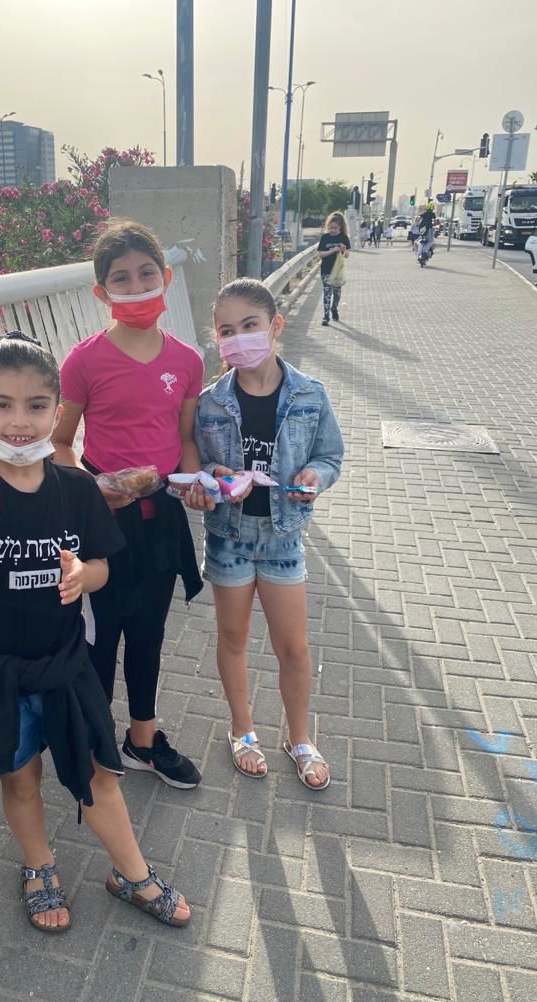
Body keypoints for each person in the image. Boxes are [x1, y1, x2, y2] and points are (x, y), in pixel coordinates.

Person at [0, 333, 191, 932]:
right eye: (2, 404)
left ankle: (132, 873)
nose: (19, 421)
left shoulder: (75, 488)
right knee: (22, 780)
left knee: (100, 771)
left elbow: (103, 565)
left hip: (65, 662)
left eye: (36, 405)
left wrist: (84, 576)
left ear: (57, 409)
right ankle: (39, 866)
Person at [54, 220, 212, 790]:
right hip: (104, 521)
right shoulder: (83, 361)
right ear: (102, 292)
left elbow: (185, 438)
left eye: (147, 273)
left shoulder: (188, 360)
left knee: (149, 633)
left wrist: (192, 483)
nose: (137, 285)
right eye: (121, 278)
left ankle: (142, 741)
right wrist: (91, 486)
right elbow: (60, 443)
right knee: (100, 635)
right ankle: (98, 742)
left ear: (166, 278)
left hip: (162, 517)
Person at [193, 278, 344, 787]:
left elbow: (330, 456)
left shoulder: (310, 394)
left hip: (283, 538)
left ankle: (299, 738)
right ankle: (242, 730)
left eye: (250, 325)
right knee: (233, 637)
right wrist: (210, 479)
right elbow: (199, 466)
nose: (238, 339)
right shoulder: (209, 402)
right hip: (228, 537)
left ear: (275, 326)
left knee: (293, 647)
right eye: (226, 331)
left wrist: (314, 477)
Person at [317, 210, 351, 326]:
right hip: (326, 270)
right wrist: (332, 250)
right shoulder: (325, 238)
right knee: (327, 293)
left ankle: (334, 308)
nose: (332, 230)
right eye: (330, 228)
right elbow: (321, 254)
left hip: (337, 271)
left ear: (340, 227)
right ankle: (326, 316)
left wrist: (343, 250)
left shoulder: (344, 238)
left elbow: (347, 255)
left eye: (335, 228)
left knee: (337, 294)